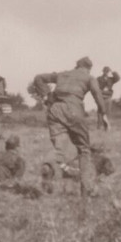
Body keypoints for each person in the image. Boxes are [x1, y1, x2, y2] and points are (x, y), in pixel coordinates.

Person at [32, 57, 110, 197]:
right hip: (74, 109)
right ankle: (86, 190)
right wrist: (103, 114)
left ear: (76, 66)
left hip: (55, 110)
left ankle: (55, 167)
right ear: (88, 68)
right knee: (84, 149)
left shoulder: (62, 74)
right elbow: (97, 94)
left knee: (60, 145)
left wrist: (46, 96)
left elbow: (38, 78)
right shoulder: (89, 77)